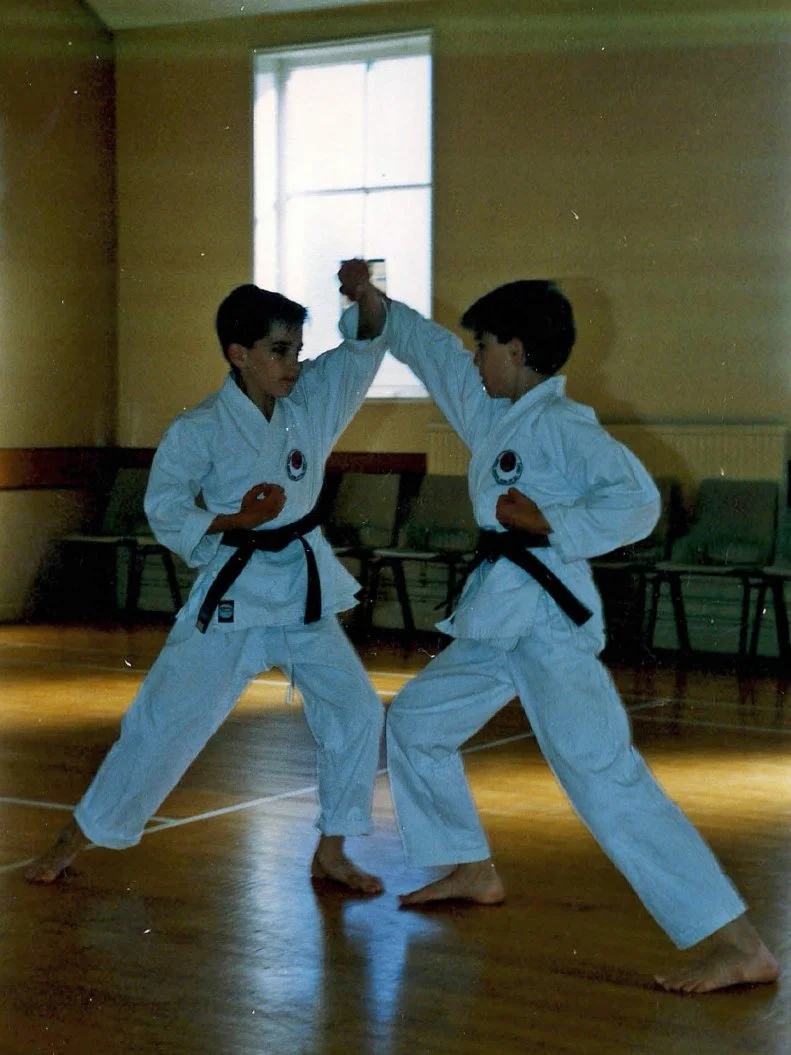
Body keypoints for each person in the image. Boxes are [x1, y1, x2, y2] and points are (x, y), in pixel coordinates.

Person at [345, 272, 778, 993]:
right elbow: (434, 357)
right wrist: (379, 310)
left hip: (544, 622)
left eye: (481, 346)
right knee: (419, 720)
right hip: (498, 616)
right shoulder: (495, 411)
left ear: (514, 351)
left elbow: (637, 503)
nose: (472, 359)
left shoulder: (563, 426)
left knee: (605, 779)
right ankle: (468, 865)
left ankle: (736, 942)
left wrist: (550, 522)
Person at [26, 262, 389, 894]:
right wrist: (236, 516)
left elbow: (362, 348)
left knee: (356, 711)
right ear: (238, 353)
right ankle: (71, 839)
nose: (294, 366)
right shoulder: (199, 429)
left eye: (298, 352)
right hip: (235, 592)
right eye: (280, 352)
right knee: (164, 721)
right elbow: (165, 508)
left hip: (301, 591)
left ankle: (332, 848)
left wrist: (363, 296)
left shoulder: (308, 406)